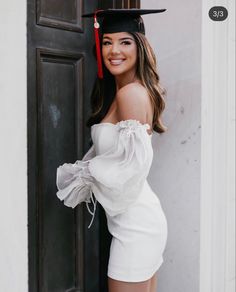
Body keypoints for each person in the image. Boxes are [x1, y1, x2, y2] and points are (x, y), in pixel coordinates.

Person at [56, 8, 168, 292]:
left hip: (136, 227)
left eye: (125, 42)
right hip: (138, 220)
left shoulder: (129, 93)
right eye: (107, 42)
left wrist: (88, 173)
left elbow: (133, 169)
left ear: (140, 47)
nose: (114, 50)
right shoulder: (127, 90)